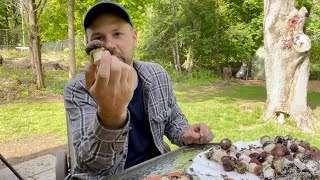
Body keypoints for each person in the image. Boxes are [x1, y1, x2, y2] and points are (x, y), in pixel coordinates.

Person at [64, 1, 214, 179]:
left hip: (159, 171)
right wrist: (110, 117)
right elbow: (91, 164)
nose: (109, 45)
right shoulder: (78, 89)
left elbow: (172, 118)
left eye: (117, 34)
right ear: (89, 45)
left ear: (134, 37)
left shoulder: (157, 74)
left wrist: (185, 133)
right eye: (99, 38)